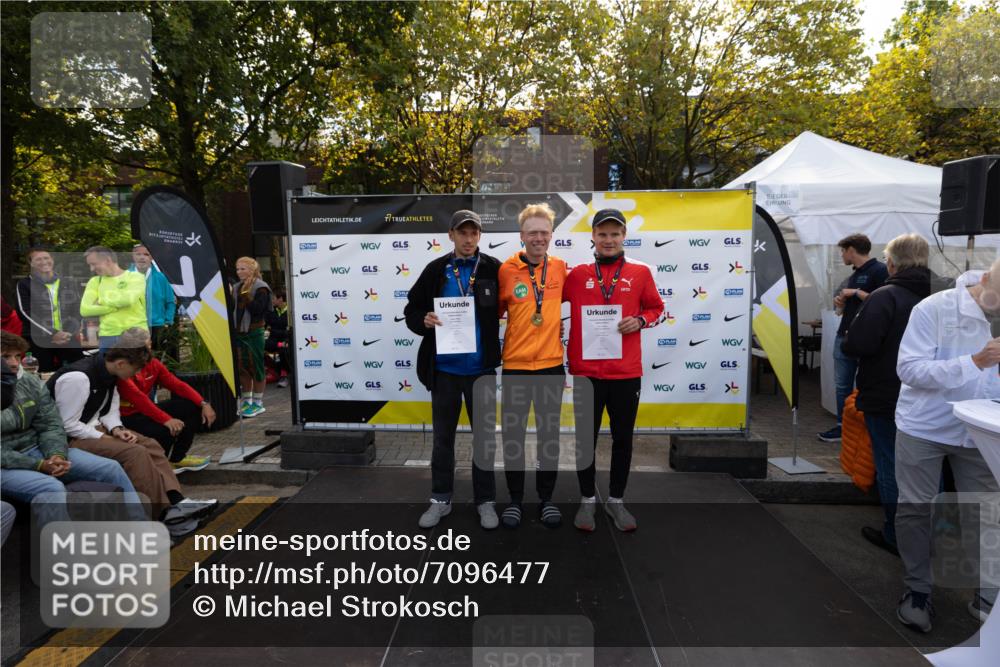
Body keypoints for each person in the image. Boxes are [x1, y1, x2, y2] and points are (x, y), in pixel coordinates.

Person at [892, 259, 1000, 633]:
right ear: (985, 279)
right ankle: (917, 591)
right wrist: (974, 361)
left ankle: (988, 596)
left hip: (981, 430)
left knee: (985, 513)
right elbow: (909, 370)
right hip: (925, 425)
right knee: (917, 509)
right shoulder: (934, 308)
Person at [47, 335, 216, 537]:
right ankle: (160, 512)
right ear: (120, 363)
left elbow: (109, 410)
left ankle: (177, 501)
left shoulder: (112, 374)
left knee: (151, 445)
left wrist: (118, 429)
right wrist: (105, 437)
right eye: (135, 369)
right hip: (68, 440)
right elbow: (66, 424)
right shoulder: (79, 378)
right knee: (135, 453)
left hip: (93, 429)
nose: (137, 374)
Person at [563, 208, 664, 532]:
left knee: (623, 440)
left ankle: (617, 501)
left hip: (625, 373)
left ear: (624, 237)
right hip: (586, 373)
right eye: (602, 234)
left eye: (615, 234)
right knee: (584, 440)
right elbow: (547, 302)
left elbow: (657, 308)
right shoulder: (576, 274)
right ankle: (587, 500)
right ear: (592, 237)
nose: (608, 240)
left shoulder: (640, 272)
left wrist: (641, 320)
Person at [405, 210, 502, 530]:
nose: (469, 239)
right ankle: (440, 498)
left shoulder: (493, 268)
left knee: (484, 440)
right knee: (442, 439)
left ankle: (485, 500)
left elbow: (516, 304)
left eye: (474, 233)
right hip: (445, 370)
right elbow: (412, 308)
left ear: (480, 236)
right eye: (463, 233)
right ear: (451, 235)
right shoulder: (436, 269)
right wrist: (424, 319)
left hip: (480, 369)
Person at [841, 233, 933, 557]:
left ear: (892, 262)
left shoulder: (886, 296)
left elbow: (858, 345)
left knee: (891, 465)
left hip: (887, 394)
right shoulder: (940, 296)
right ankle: (926, 533)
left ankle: (896, 535)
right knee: (923, 471)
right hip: (931, 400)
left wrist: (851, 333)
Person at [1, 332, 143, 523]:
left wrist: (56, 454)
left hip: (37, 450)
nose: (13, 363)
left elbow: (51, 423)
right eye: (5, 356)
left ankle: (140, 526)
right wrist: (38, 466)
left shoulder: (29, 381)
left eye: (17, 356)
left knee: (111, 468)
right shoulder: (80, 375)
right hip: (6, 463)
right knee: (51, 488)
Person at [497, 203, 568, 529]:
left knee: (548, 437)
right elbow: (491, 314)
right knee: (513, 436)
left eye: (544, 232)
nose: (539, 237)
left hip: (552, 365)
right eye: (532, 232)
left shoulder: (561, 268)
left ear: (551, 234)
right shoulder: (506, 271)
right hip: (515, 365)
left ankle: (546, 498)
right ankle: (513, 499)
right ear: (522, 235)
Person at [818, 234, 889, 443]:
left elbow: (884, 300)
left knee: (864, 383)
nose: (841, 255)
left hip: (866, 339)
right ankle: (843, 426)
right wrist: (841, 302)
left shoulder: (879, 270)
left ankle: (862, 427)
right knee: (842, 385)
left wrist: (856, 292)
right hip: (845, 335)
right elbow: (850, 307)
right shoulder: (855, 273)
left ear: (851, 250)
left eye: (843, 251)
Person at [115, 327, 215, 474]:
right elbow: (140, 399)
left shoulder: (153, 363)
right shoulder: (122, 368)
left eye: (149, 344)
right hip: (126, 418)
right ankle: (159, 466)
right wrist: (167, 420)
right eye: (148, 345)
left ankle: (176, 459)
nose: (151, 347)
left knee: (192, 406)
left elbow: (176, 385)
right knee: (166, 430)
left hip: (146, 411)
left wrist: (203, 403)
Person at [14, 248, 84, 372]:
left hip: (66, 337)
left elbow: (77, 309)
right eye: (38, 259)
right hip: (38, 339)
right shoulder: (24, 284)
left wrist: (68, 332)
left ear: (52, 260)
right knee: (42, 375)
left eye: (46, 258)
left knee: (77, 372)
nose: (43, 261)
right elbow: (25, 313)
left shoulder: (67, 282)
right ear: (31, 263)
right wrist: (52, 333)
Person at [80, 246, 148, 351]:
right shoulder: (95, 281)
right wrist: (113, 307)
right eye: (90, 265)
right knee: (107, 367)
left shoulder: (135, 277)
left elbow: (128, 300)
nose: (92, 269)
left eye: (93, 264)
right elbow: (85, 310)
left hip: (136, 334)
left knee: (138, 367)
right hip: (108, 336)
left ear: (107, 260)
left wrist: (101, 300)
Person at [232, 257, 271, 417]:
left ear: (252, 269)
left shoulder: (261, 287)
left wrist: (247, 297)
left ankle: (258, 403)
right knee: (242, 367)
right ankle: (246, 401)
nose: (239, 272)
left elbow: (259, 310)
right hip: (239, 332)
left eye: (243, 268)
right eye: (237, 269)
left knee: (256, 367)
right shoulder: (236, 287)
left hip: (254, 332)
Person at [129, 243, 176, 350]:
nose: (142, 257)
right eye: (138, 254)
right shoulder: (124, 277)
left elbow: (170, 301)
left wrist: (167, 322)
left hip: (157, 326)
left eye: (146, 254)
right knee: (135, 360)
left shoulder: (160, 278)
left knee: (155, 359)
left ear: (151, 257)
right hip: (132, 326)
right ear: (133, 256)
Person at [265, 288, 291, 388]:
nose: (272, 301)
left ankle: (284, 376)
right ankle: (270, 371)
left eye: (274, 298)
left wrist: (273, 331)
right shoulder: (271, 311)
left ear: (280, 299)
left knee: (282, 348)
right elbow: (265, 326)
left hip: (286, 340)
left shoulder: (290, 311)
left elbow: (288, 332)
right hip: (274, 340)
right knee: (259, 345)